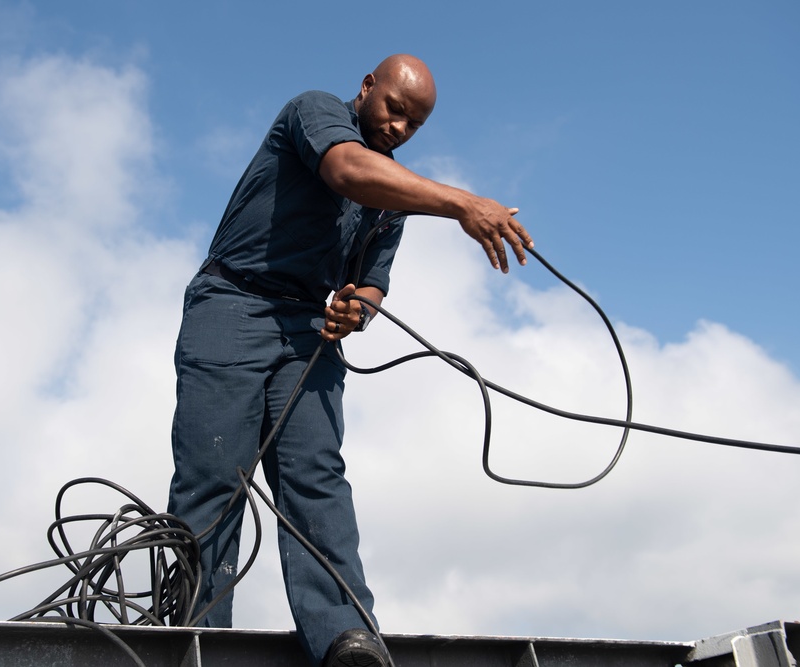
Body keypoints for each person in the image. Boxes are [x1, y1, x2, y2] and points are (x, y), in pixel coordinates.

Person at [167, 54, 533, 667]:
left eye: (413, 124)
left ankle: (346, 640)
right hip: (232, 302)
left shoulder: (393, 200)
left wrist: (355, 313)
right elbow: (345, 170)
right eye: (394, 108)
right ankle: (196, 638)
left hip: (309, 328)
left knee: (318, 478)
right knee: (213, 476)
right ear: (367, 87)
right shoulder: (316, 111)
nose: (398, 128)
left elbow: (370, 284)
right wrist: (464, 203)